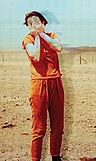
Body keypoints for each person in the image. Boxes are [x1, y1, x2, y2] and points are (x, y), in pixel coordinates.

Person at [22, 11, 64, 161]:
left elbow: (58, 47)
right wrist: (37, 36)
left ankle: (56, 157)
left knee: (58, 126)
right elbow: (35, 55)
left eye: (36, 22)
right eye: (29, 24)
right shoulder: (28, 39)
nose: (33, 26)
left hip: (56, 82)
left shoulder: (52, 36)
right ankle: (36, 159)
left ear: (44, 22)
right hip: (39, 85)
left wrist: (42, 34)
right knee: (39, 127)